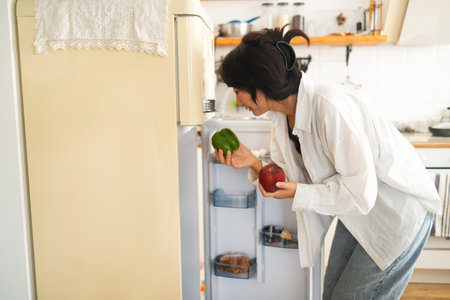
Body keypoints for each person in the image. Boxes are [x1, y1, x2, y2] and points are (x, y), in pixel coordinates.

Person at [215, 26, 441, 299]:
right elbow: (296, 175)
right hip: (359, 215)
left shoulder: (328, 107)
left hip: (394, 213)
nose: (238, 100)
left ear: (259, 82)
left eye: (238, 89)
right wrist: (253, 162)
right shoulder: (280, 115)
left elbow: (358, 193)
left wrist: (300, 191)